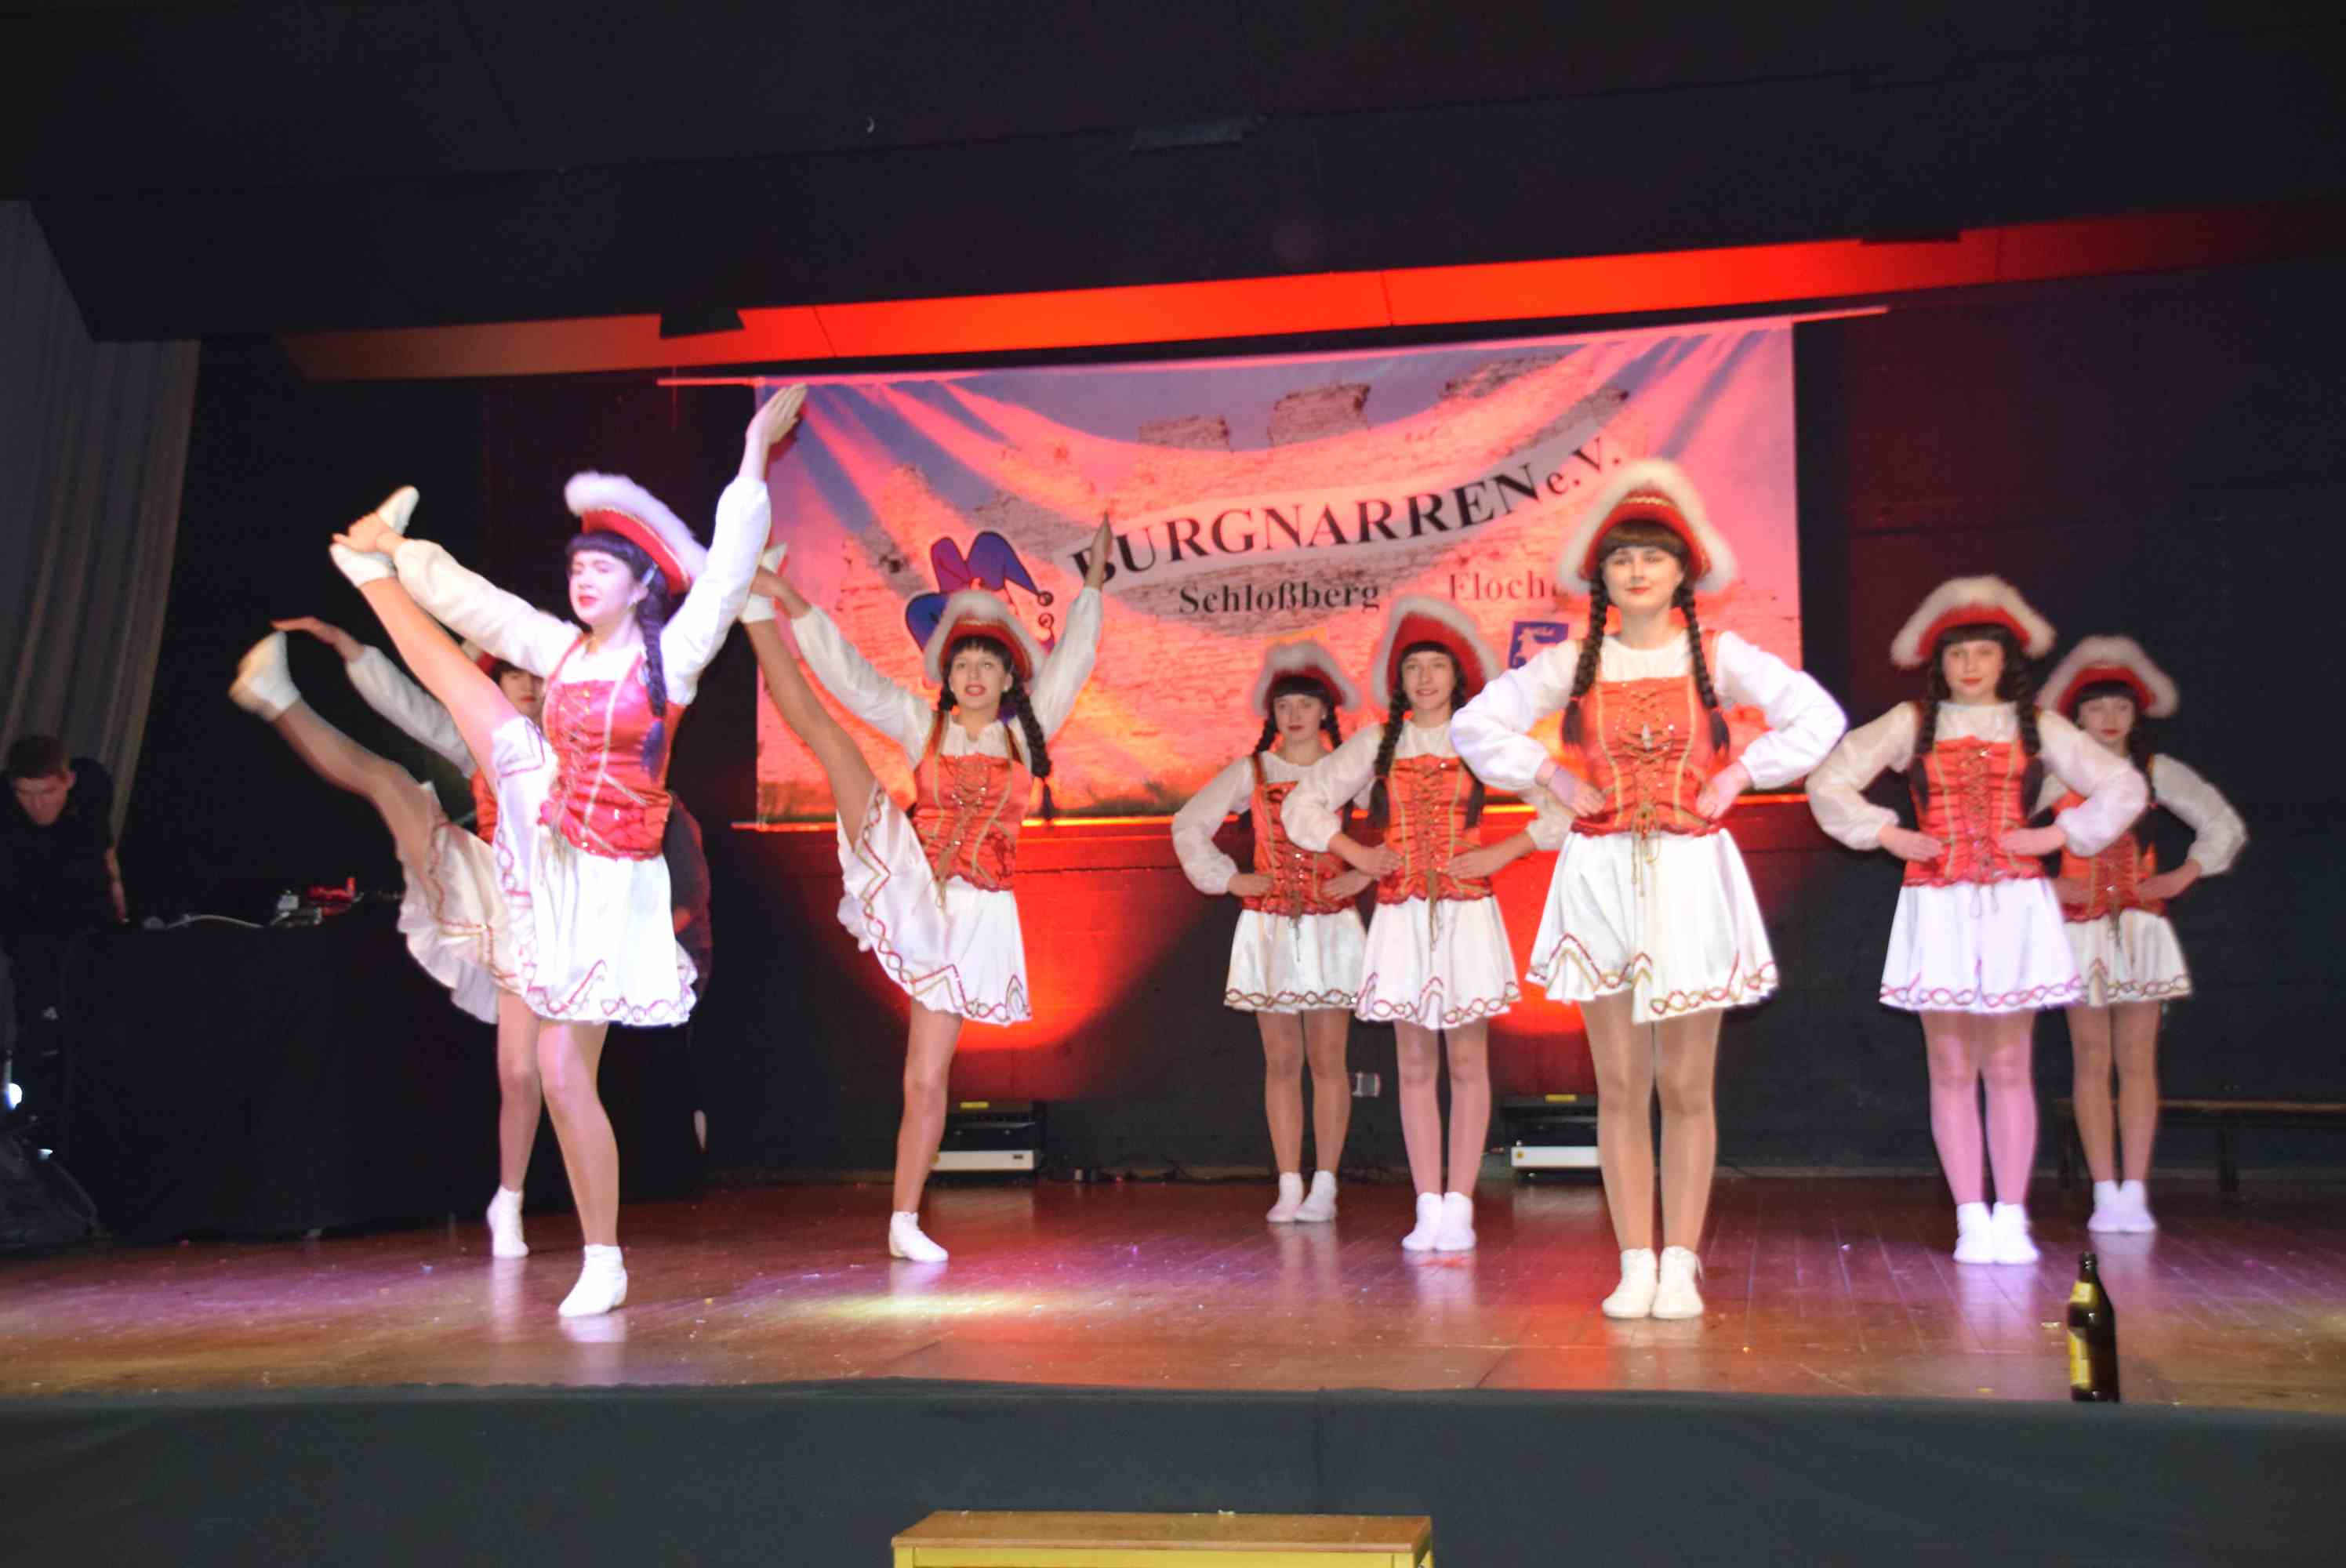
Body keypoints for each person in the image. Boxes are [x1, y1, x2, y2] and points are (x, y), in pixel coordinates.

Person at [324, 383, 801, 1315]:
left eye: (602, 567)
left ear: (642, 584)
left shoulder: (671, 657)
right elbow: (484, 607)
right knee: (467, 687)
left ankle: (603, 1256)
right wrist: (414, 559)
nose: (582, 578)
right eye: (577, 564)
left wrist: (752, 450)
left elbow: (728, 572)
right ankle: (372, 566)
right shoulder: (562, 649)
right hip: (551, 841)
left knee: (559, 1068)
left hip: (616, 879)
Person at [1451, 459, 1847, 1319]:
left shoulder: (1719, 656)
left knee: (1687, 1085)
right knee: (1621, 1085)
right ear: (1602, 575)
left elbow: (1819, 717)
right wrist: (1551, 775)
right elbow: (1474, 722)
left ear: (1681, 571)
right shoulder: (1572, 662)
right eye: (1622, 557)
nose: (1637, 571)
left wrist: (1741, 771)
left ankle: (1680, 1260)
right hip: (1599, 873)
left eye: (1653, 557)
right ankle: (1634, 1260)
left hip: (1689, 869)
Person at [738, 517, 1110, 1263]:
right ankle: (755, 606)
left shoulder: (1025, 734)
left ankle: (904, 1220)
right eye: (962, 661)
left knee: (927, 1077)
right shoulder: (923, 725)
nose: (973, 674)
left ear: (1008, 677)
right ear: (946, 672)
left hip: (975, 917)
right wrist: (795, 600)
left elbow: (1074, 658)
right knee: (830, 738)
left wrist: (1094, 584)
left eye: (987, 663)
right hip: (915, 883)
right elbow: (851, 678)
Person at [1807, 577, 2144, 1265]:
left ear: (2005, 660)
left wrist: (2056, 834)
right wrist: (1889, 834)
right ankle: (1970, 1215)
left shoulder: (2036, 725)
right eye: (1957, 654)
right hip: (1938, 901)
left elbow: (2122, 785)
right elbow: (1828, 780)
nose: (1970, 666)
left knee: (2010, 1061)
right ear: (1940, 662)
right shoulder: (1912, 722)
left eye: (1984, 652)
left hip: (2015, 902)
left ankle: (2012, 1215)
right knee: (1951, 1063)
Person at [1283, 596, 1560, 1254]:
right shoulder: (1378, 744)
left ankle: (1460, 1205)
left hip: (1466, 911)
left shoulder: (1479, 739)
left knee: (1465, 1058)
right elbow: (1304, 802)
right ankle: (1426, 1203)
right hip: (1403, 913)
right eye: (1413, 668)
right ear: (1399, 681)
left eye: (1436, 666)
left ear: (1456, 676)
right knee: (1412, 1060)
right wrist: (1355, 853)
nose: (1425, 678)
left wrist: (1503, 850)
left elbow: (1561, 803)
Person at [2036, 635, 2245, 1232]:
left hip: (2141, 926)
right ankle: (2104, 1190)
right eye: (2097, 707)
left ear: (2136, 714)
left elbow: (2221, 823)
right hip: (2080, 930)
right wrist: (2047, 884)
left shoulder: (2156, 772)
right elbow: (2001, 838)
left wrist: (2182, 874)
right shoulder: (2054, 774)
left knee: (2137, 1060)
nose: (2109, 718)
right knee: (2090, 1058)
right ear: (2076, 716)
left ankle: (2135, 1190)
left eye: (2121, 707)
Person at [1171, 641, 1374, 1223]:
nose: (1294, 714)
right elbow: (1189, 823)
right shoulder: (1253, 771)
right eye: (1284, 705)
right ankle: (1288, 1182)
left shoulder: (1348, 769)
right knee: (1281, 1060)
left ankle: (1326, 1184)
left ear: (1325, 711)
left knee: (1328, 1059)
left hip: (1331, 924)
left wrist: (1363, 871)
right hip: (1269, 926)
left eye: (1305, 704)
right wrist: (1231, 880)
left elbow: (1399, 822)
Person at [2, 737, 128, 1130]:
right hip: (31, 924)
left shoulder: (92, 785)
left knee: (97, 1019)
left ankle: (90, 1117)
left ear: (68, 780)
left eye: (47, 793)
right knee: (40, 1021)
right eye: (25, 794)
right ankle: (32, 1117)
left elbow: (104, 846)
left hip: (90, 919)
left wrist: (118, 896)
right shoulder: (6, 810)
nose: (37, 805)